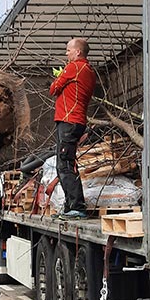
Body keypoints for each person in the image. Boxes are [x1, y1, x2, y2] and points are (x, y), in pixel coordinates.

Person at [49, 37, 96, 219]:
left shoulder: (75, 67)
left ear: (78, 52)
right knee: (66, 163)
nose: (66, 54)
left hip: (68, 120)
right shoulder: (88, 70)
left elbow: (53, 89)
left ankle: (77, 206)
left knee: (65, 164)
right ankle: (70, 207)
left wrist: (60, 77)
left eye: (68, 50)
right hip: (76, 121)